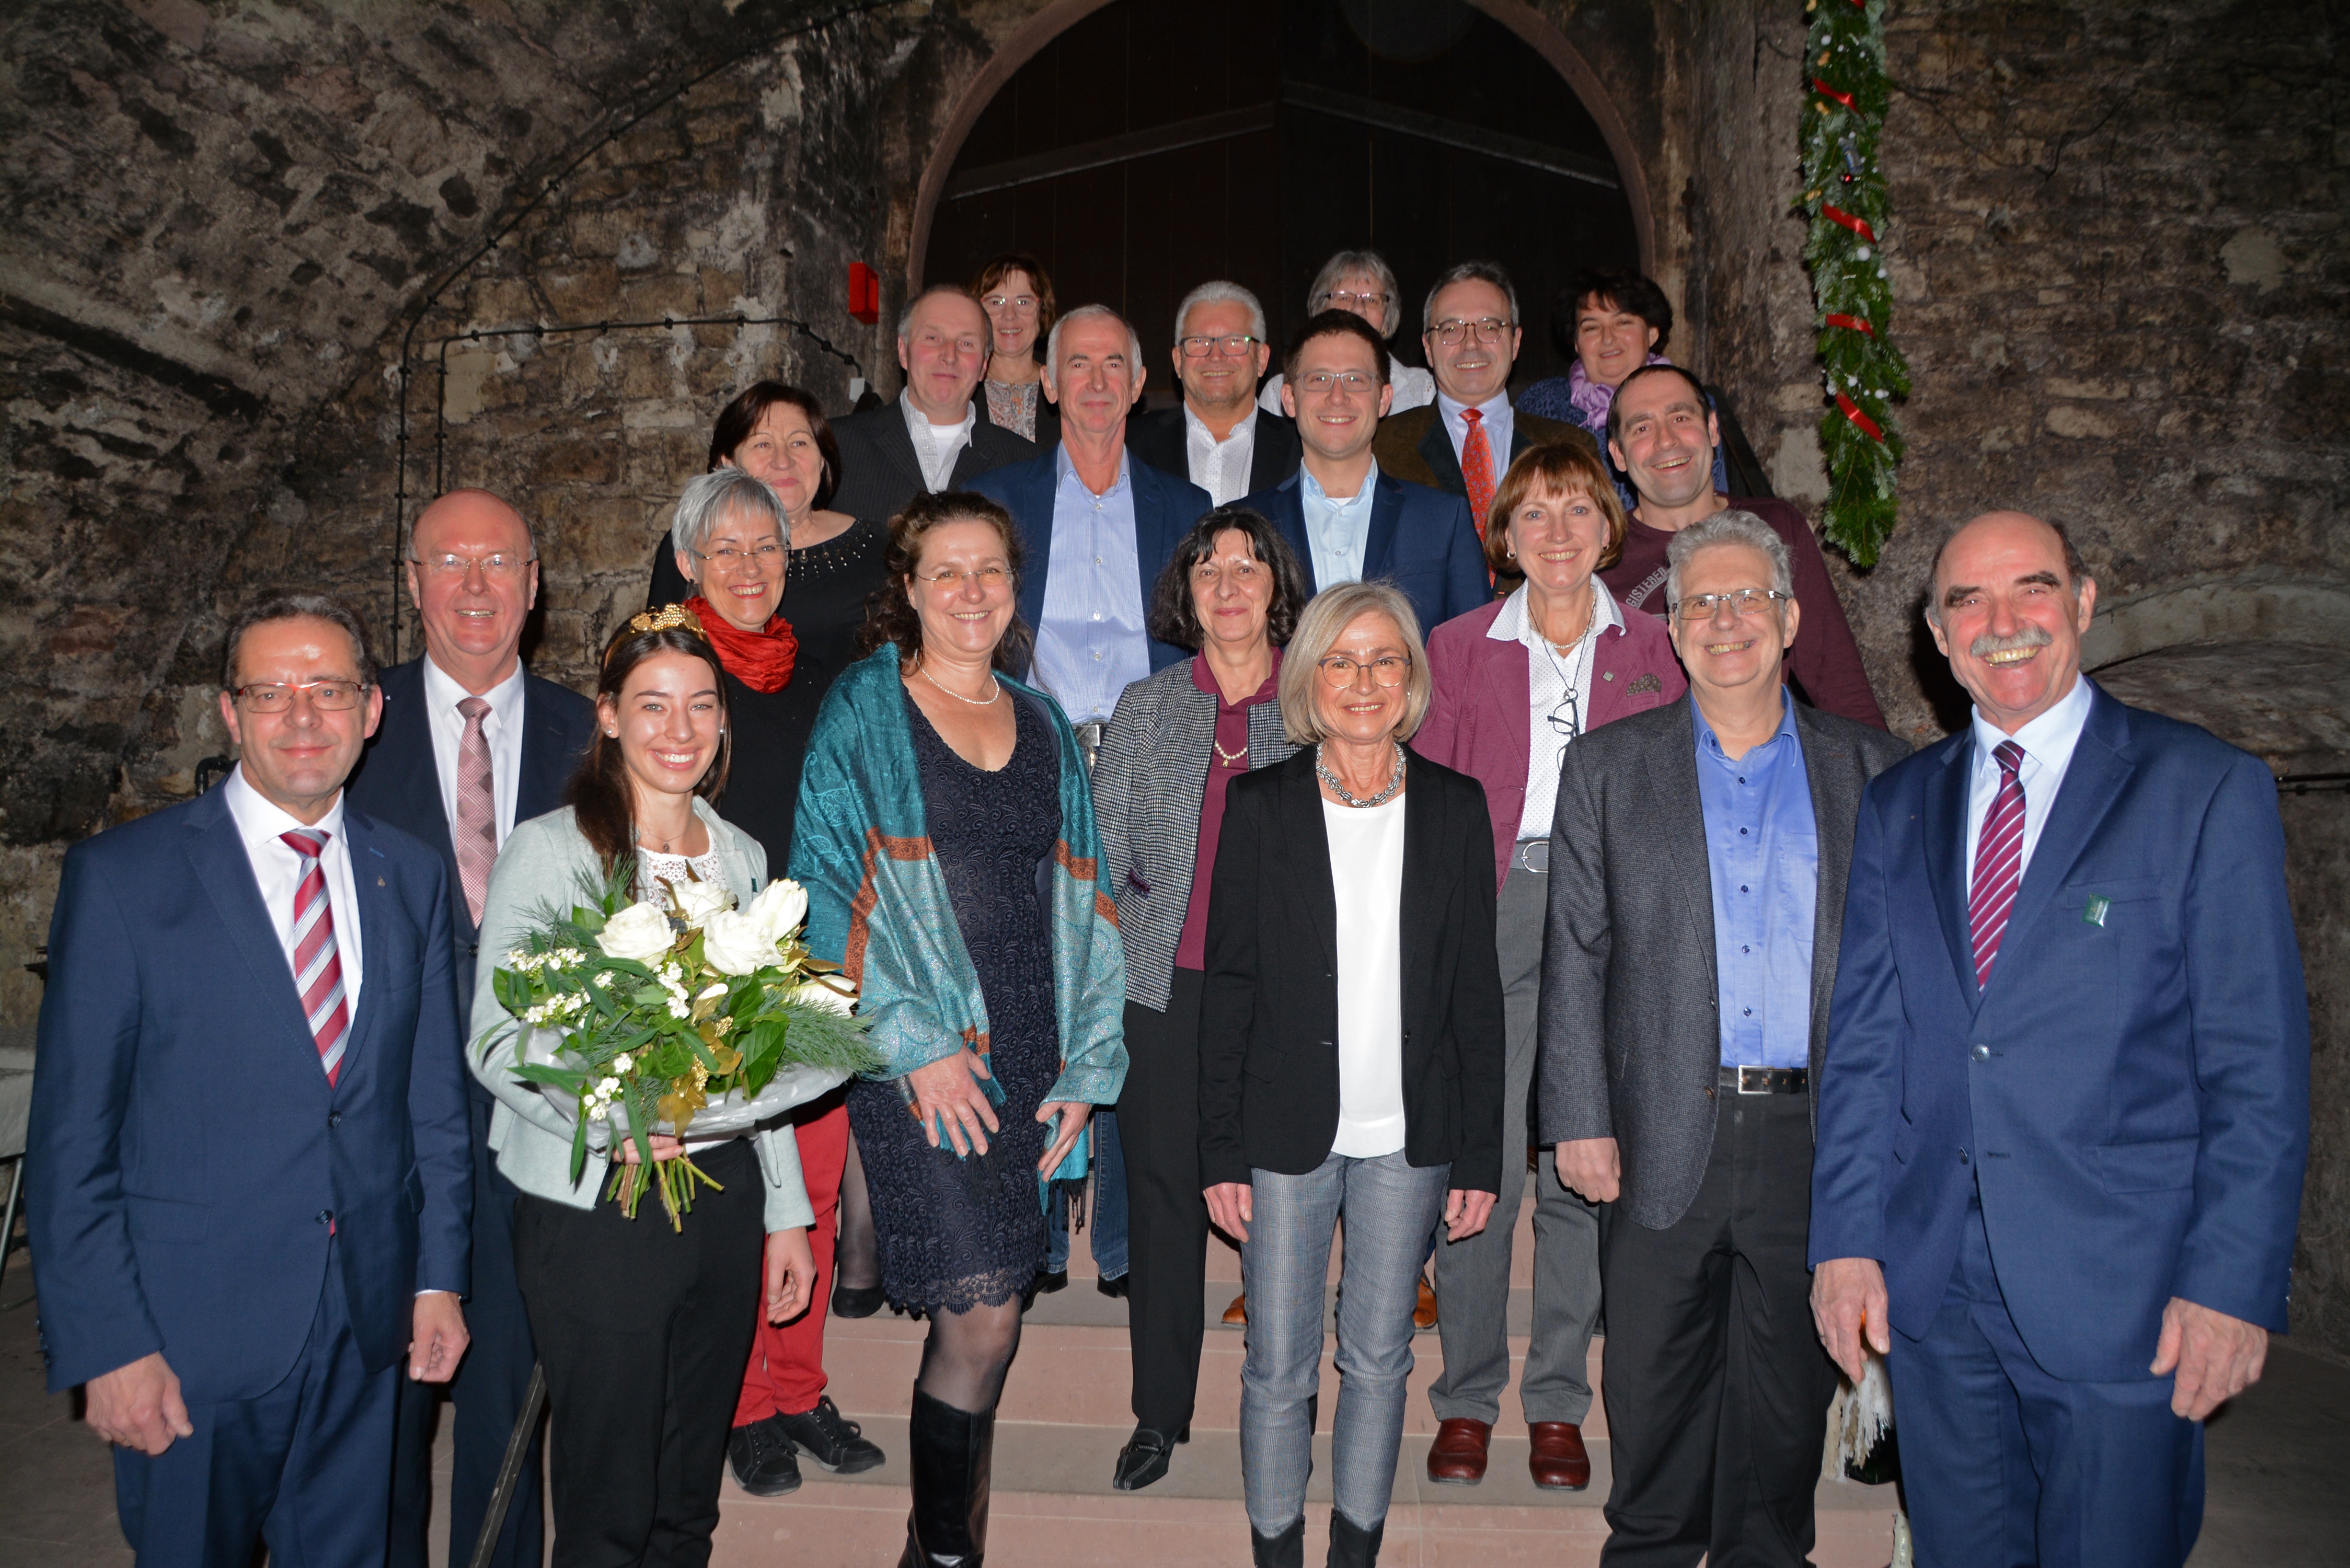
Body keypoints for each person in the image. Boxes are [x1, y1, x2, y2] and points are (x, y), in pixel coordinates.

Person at [1809, 511, 2309, 1568]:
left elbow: (2255, 1066)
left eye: (2030, 589)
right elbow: (1867, 1048)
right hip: (1936, 1289)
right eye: (1966, 603)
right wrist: (1846, 1242)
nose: (2002, 624)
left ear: (2081, 603)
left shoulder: (2201, 789)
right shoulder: (1900, 804)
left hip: (2125, 1293)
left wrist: (2229, 1285)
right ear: (1935, 638)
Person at [29, 593, 473, 1566]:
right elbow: (72, 1143)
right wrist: (108, 1346)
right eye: (271, 692)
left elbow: (430, 1106)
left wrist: (438, 1278)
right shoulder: (124, 878)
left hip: (366, 1329)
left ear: (372, 710)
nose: (303, 717)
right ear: (230, 714)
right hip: (191, 1339)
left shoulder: (412, 875)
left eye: (329, 689)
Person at [1540, 512, 1910, 1566]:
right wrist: (1578, 1118)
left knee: (1782, 1426)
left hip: (1816, 1141)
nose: (1723, 619)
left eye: (1746, 597)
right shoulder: (1607, 768)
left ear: (1790, 619)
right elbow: (1577, 951)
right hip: (1661, 1126)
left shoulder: (1876, 773)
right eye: (1699, 601)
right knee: (1651, 1411)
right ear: (1672, 632)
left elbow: (1898, 980)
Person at [789, 490, 1127, 1567]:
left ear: (1014, 587)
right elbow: (824, 891)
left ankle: (930, 1550)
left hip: (1028, 1044)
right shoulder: (864, 707)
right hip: (914, 1053)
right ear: (909, 590)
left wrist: (1087, 1063)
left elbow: (1083, 899)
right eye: (947, 572)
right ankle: (946, 1556)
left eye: (990, 571)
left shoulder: (1042, 721)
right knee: (983, 1316)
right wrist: (912, 1043)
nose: (971, 591)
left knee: (996, 1319)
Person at [469, 606, 822, 1567]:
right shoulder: (551, 850)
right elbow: (499, 1038)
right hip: (599, 1201)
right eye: (653, 705)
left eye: (701, 707)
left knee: (685, 1495)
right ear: (610, 717)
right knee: (609, 1495)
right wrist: (615, 1111)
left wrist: (784, 1211)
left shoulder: (742, 856)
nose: (680, 730)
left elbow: (768, 1050)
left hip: (720, 1199)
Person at [1200, 581, 1506, 1568]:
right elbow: (1230, 986)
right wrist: (1220, 1150)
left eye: (1384, 660)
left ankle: (1355, 1554)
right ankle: (1279, 1552)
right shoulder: (1260, 806)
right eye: (1341, 660)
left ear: (1411, 679)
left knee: (1378, 1362)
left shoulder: (1457, 809)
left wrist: (1479, 1157)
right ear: (1310, 678)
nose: (1363, 681)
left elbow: (1475, 996)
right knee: (1277, 1367)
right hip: (1286, 1133)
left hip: (1408, 1140)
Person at [1412, 442, 1686, 1493]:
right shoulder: (1457, 645)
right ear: (1506, 534)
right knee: (1480, 1162)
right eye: (1536, 515)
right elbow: (1428, 804)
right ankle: (1468, 1399)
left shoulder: (1660, 646)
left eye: (1578, 511)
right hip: (1495, 906)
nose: (1559, 533)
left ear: (1609, 527)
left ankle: (1560, 1400)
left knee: (1585, 1155)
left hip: (1617, 917)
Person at [352, 489, 595, 1568]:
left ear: (533, 586)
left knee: (506, 1397)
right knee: (379, 1424)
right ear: (412, 587)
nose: (474, 585)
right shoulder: (350, 723)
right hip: (382, 1129)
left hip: (535, 1122)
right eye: (447, 563)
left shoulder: (590, 733)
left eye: (498, 561)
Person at [661, 466, 887, 1496]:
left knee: (820, 1185)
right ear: (687, 563)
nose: (750, 570)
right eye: (727, 551)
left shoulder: (822, 671)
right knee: (747, 1186)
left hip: (814, 964)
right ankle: (745, 1404)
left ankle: (799, 1388)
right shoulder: (667, 674)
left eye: (767, 550)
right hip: (709, 965)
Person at [1090, 506, 1310, 1492]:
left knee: (1285, 1204)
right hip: (1160, 993)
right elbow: (1107, 852)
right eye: (1208, 567)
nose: (1228, 584)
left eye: (1248, 566)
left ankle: (1284, 1400)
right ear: (1187, 592)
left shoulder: (1313, 706)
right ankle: (1158, 1413)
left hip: (1282, 1001)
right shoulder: (1146, 707)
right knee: (1168, 1202)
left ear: (1277, 589)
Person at [971, 303, 1213, 748]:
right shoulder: (993, 503)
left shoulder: (1188, 510)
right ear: (1050, 382)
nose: (1098, 382)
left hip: (1155, 756)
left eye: (1113, 364)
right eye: (1079, 364)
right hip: (1025, 750)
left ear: (1137, 384)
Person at [1601, 363, 1886, 728]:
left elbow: (1835, 676)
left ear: (1713, 429)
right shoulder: (1601, 557)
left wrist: (1883, 776)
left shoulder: (1777, 527)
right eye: (1642, 427)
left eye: (1681, 417)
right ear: (1619, 454)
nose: (1666, 440)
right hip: (1647, 773)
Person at [1241, 310, 1489, 643]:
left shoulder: (1443, 520)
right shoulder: (1243, 523)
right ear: (1289, 399)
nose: (1337, 397)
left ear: (1385, 399)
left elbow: (1475, 654)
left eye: (1356, 380)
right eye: (1319, 379)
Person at [648, 381, 898, 683]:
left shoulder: (878, 548)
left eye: (799, 443)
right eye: (763, 444)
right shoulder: (695, 545)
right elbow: (658, 661)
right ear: (727, 463)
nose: (783, 461)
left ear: (822, 460)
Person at [1373, 261, 1590, 539]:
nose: (1471, 344)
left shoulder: (1574, 448)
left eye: (1489, 327)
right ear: (1428, 348)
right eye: (1451, 329)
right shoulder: (1382, 448)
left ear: (1516, 342)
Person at [827, 285, 1039, 525]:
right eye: (933, 338)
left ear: (984, 365)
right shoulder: (835, 447)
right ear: (903, 351)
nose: (949, 355)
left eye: (967, 343)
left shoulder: (1025, 465)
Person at [1517, 269, 1732, 500]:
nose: (1608, 338)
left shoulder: (1688, 401)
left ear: (1652, 333)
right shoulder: (1541, 403)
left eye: (1623, 322)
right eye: (1591, 327)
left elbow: (1713, 494)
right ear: (1577, 343)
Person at [1128, 281, 1302, 506]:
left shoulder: (1302, 448)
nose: (1217, 356)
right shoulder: (1130, 446)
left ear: (1262, 359)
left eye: (1234, 341)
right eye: (1199, 341)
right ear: (1178, 361)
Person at [1257, 249, 1436, 416]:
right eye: (1345, 297)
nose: (1358, 310)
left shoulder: (1419, 388)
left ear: (1387, 321)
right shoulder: (1279, 392)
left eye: (1372, 300)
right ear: (1320, 311)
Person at [975, 252, 1061, 448]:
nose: (1010, 315)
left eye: (1023, 302)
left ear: (1043, 311)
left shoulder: (1065, 384)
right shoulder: (960, 384)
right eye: (996, 302)